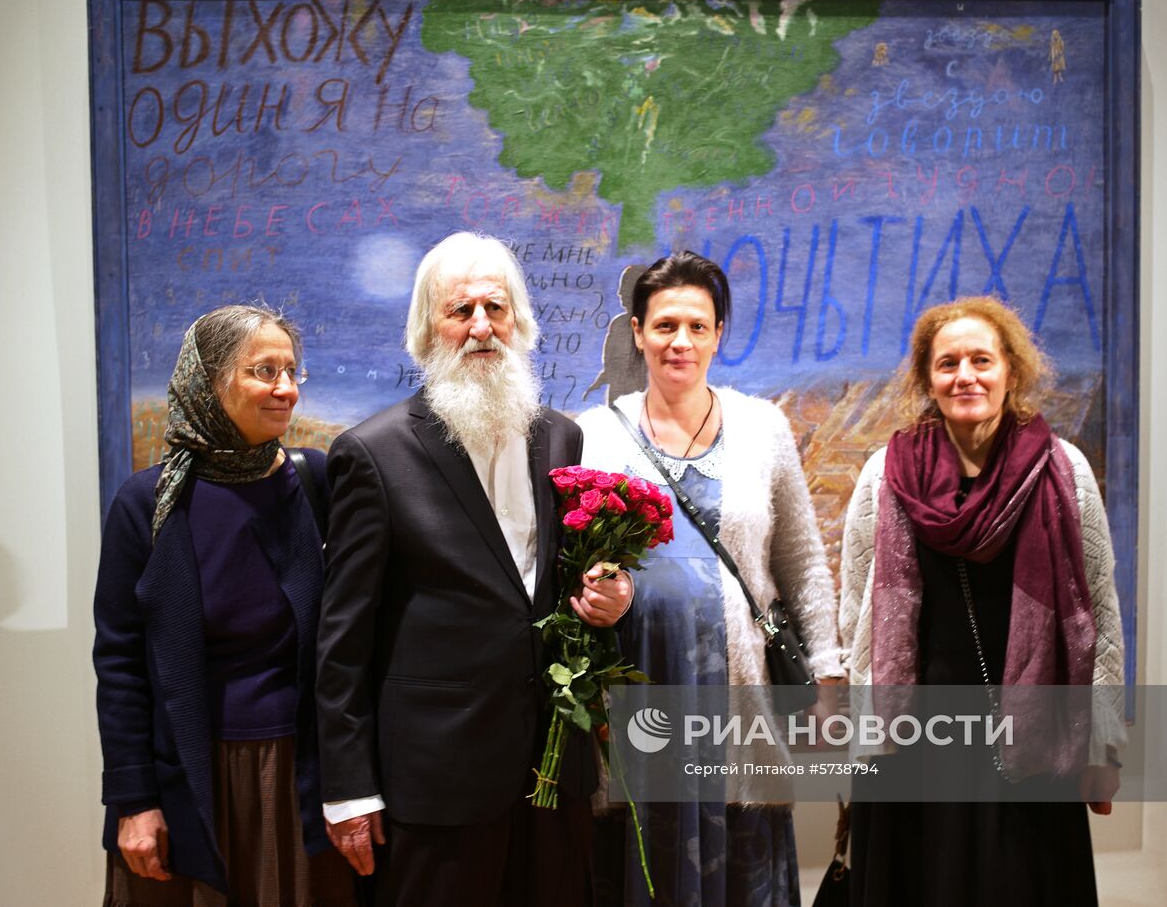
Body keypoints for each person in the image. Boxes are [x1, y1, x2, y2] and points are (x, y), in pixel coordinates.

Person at [315, 231, 634, 907]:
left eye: (496, 308)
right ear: (428, 331)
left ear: (519, 323)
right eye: (459, 311)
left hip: (553, 770)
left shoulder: (560, 436)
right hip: (437, 783)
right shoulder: (371, 456)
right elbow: (343, 641)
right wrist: (347, 787)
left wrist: (612, 596)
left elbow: (563, 582)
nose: (481, 327)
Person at [837, 296, 1127, 906]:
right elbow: (856, 613)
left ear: (1010, 372)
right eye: (947, 364)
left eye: (980, 360)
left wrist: (1101, 744)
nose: (965, 375)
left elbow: (1099, 615)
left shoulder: (1062, 470)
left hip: (1033, 735)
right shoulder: (885, 475)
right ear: (927, 379)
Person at [577, 251, 846, 907]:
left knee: (744, 865)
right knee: (641, 862)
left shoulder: (763, 429)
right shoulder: (590, 437)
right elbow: (565, 570)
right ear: (637, 331)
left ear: (719, 333)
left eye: (698, 326)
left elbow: (803, 563)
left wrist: (830, 677)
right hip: (638, 692)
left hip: (742, 701)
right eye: (665, 325)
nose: (681, 341)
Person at [93, 305, 356, 906]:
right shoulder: (147, 504)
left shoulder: (314, 483)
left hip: (302, 780)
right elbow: (120, 665)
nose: (285, 389)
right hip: (190, 779)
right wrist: (134, 802)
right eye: (264, 371)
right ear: (209, 382)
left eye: (292, 372)